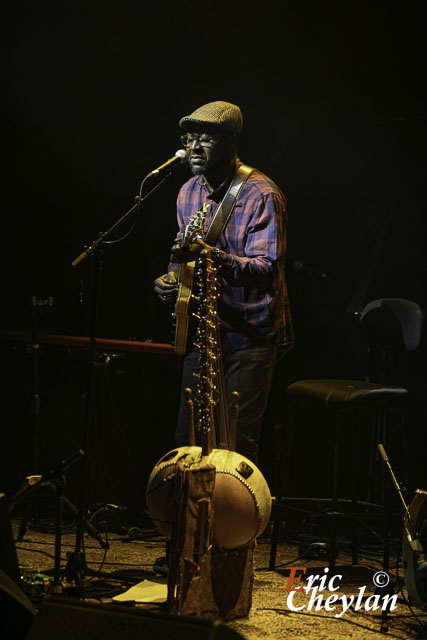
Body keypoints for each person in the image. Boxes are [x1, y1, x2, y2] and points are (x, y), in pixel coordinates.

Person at [154, 100, 293, 464]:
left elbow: (267, 271)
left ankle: (233, 522)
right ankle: (189, 519)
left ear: (231, 143)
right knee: (186, 440)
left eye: (206, 139)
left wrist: (212, 258)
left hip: (249, 338)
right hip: (203, 332)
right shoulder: (188, 191)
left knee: (235, 448)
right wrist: (171, 278)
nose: (193, 148)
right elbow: (180, 253)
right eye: (189, 138)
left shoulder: (261, 194)